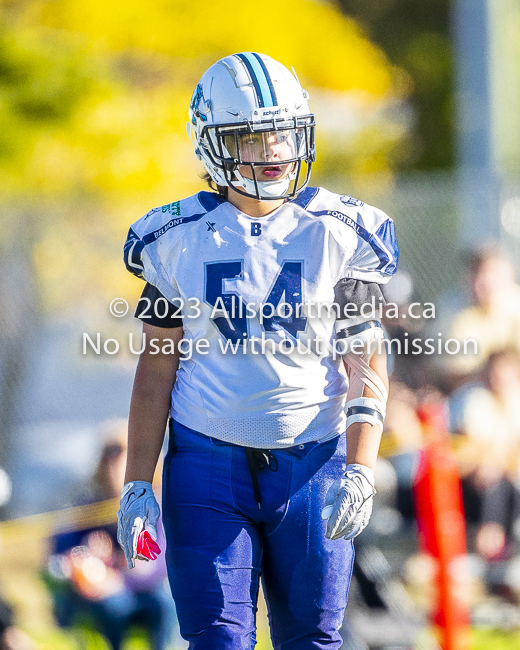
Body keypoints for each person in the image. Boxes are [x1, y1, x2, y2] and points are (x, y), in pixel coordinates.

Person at [117, 52, 398, 649]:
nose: (272, 150)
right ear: (212, 144)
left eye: (282, 132)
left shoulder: (337, 231)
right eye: (251, 135)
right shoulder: (174, 240)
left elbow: (365, 361)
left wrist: (363, 469)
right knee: (217, 639)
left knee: (313, 638)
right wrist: (137, 480)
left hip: (313, 459)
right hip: (206, 460)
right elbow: (155, 371)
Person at [46, 422, 177, 650]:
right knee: (115, 606)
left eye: (125, 457)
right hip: (105, 596)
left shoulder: (155, 506)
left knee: (165, 600)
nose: (116, 466)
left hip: (147, 590)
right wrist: (87, 557)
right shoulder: (89, 506)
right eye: (110, 456)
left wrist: (120, 573)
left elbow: (160, 563)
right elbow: (59, 557)